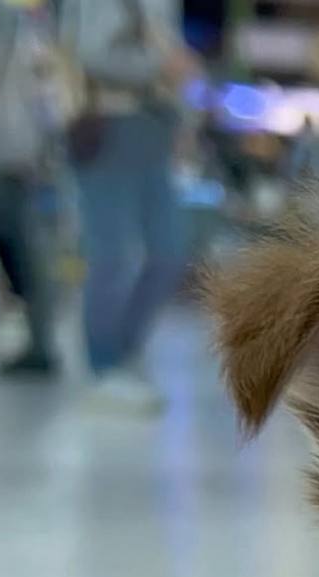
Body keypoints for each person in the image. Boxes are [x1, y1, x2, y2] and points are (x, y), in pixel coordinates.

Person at [60, 0, 196, 412]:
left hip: (154, 127)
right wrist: (158, 65)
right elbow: (88, 52)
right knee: (112, 256)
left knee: (168, 253)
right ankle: (103, 366)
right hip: (108, 125)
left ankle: (122, 350)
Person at [0, 0, 60, 376]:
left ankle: (35, 345)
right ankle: (40, 343)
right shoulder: (26, 23)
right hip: (17, 154)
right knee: (24, 252)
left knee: (18, 251)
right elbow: (45, 93)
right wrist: (39, 148)